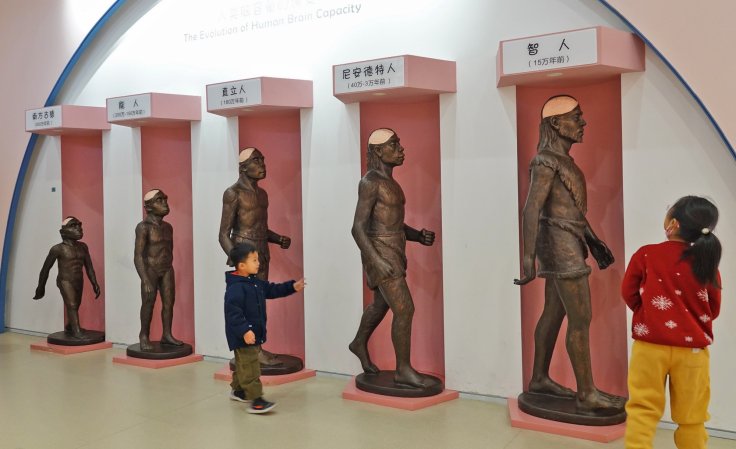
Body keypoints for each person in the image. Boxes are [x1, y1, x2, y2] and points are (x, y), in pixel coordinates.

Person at [514, 95, 623, 412]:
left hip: (567, 242)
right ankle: (587, 392)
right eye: (576, 117)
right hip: (560, 247)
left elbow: (568, 209)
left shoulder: (561, 161)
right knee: (580, 318)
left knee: (553, 313)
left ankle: (539, 379)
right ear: (555, 124)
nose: (582, 123)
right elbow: (531, 209)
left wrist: (591, 239)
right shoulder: (544, 161)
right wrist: (527, 257)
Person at [622, 196, 722, 449]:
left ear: (673, 223)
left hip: (649, 347)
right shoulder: (707, 263)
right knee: (692, 417)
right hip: (693, 353)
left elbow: (628, 292)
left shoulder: (646, 254)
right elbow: (713, 308)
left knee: (642, 410)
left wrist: (649, 316)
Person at [349, 128, 436, 389]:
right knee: (404, 308)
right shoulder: (370, 182)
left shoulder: (390, 183)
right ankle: (403, 370)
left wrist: (417, 235)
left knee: (381, 305)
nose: (401, 149)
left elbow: (391, 224)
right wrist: (375, 260)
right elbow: (358, 228)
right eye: (394, 144)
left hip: (393, 251)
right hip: (382, 254)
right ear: (378, 151)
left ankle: (358, 343)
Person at [219, 147, 291, 366]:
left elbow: (260, 228)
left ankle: (257, 348)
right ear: (243, 168)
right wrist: (236, 258)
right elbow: (223, 233)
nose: (262, 165)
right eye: (257, 161)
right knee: (244, 306)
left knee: (259, 303)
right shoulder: (233, 193)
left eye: (263, 160)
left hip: (261, 253)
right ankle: (247, 351)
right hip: (244, 253)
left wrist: (277, 239)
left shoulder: (262, 194)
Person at [224, 242, 305, 414]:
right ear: (242, 266)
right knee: (251, 367)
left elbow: (272, 290)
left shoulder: (255, 283)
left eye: (258, 259)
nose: (258, 263)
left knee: (244, 364)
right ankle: (257, 400)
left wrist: (291, 287)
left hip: (253, 333)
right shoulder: (236, 288)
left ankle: (238, 390)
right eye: (254, 260)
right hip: (242, 335)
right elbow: (233, 314)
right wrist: (245, 331)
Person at [33, 217, 101, 338]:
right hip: (65, 281)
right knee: (72, 305)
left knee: (76, 304)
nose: (79, 228)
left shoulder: (83, 247)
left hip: (78, 280)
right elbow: (45, 269)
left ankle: (70, 326)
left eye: (79, 225)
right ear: (63, 232)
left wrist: (94, 283)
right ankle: (76, 331)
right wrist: (41, 287)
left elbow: (89, 267)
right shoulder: (57, 249)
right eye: (73, 225)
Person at [134, 189, 183, 351]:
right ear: (148, 207)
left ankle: (167, 334)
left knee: (169, 303)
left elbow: (169, 250)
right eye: (159, 200)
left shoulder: (168, 227)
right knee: (148, 303)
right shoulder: (143, 227)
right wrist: (145, 279)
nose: (164, 203)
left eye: (164, 199)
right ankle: (143, 335)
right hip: (150, 270)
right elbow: (138, 256)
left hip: (167, 269)